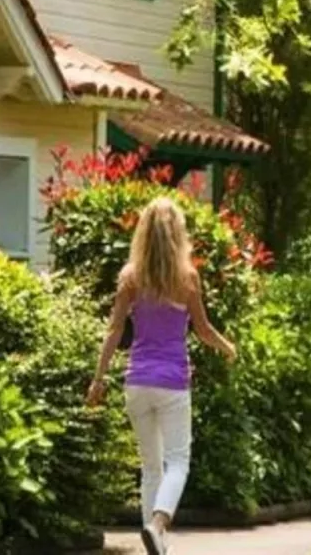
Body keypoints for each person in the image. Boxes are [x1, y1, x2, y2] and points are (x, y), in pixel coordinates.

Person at [88, 197, 236, 555]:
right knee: (178, 462)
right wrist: (227, 347)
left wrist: (98, 379)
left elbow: (113, 330)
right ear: (177, 235)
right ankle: (157, 525)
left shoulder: (130, 277)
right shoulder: (187, 278)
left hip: (136, 382)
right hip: (172, 383)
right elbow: (201, 329)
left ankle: (154, 544)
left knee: (151, 467)